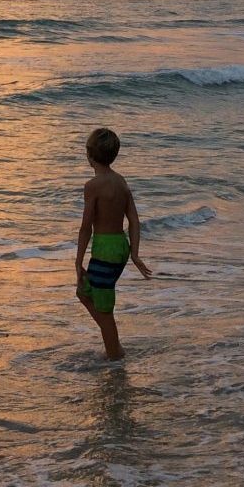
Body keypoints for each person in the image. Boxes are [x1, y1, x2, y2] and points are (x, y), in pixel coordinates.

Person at [75, 128, 151, 359]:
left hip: (105, 250)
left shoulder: (93, 186)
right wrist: (135, 254)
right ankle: (113, 345)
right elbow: (135, 220)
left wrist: (78, 261)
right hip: (120, 247)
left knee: (103, 309)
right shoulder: (121, 181)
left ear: (89, 155)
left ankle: (115, 354)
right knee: (84, 292)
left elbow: (86, 227)